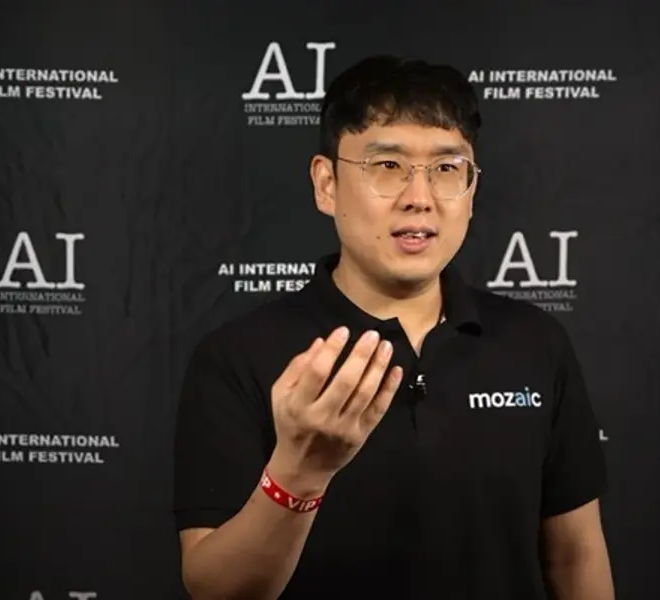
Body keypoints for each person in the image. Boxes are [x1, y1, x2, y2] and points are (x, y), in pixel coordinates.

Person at [173, 55, 615, 600]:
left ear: (472, 188)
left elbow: (576, 556)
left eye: (447, 169)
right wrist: (298, 472)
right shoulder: (240, 357)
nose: (419, 198)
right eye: (387, 166)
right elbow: (214, 587)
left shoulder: (534, 343)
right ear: (327, 184)